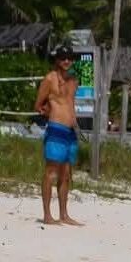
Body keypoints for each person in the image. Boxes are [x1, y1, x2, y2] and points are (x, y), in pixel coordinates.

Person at [34, 44, 83, 226]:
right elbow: (38, 105)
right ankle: (47, 215)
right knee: (51, 172)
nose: (66, 61)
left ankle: (64, 214)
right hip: (56, 129)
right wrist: (50, 112)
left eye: (69, 57)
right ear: (57, 59)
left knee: (66, 174)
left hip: (70, 131)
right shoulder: (49, 79)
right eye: (63, 58)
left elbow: (70, 103)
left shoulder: (73, 81)